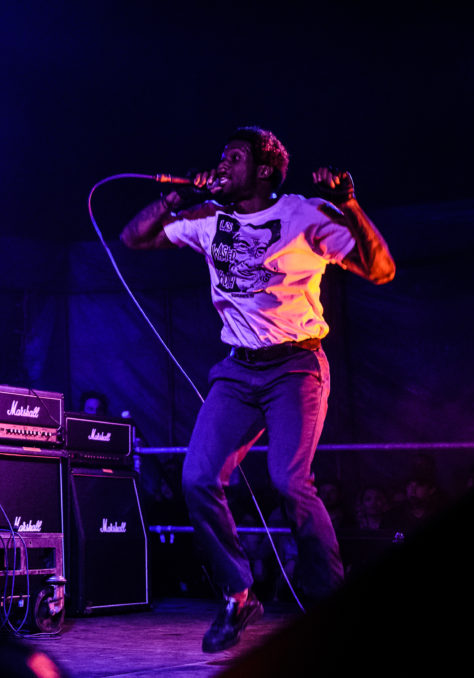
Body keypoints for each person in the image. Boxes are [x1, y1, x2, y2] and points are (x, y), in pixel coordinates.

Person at [120, 126, 395, 653]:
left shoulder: (303, 214)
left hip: (295, 365)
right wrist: (175, 198)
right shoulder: (208, 218)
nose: (221, 165)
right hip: (237, 371)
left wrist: (350, 206)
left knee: (289, 482)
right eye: (220, 156)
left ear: (264, 169)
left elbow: (381, 269)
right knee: (197, 476)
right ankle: (238, 596)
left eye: (234, 158)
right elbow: (135, 238)